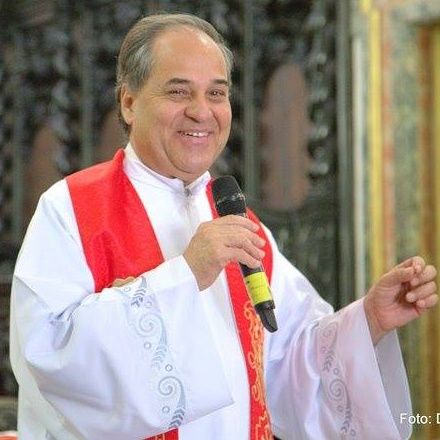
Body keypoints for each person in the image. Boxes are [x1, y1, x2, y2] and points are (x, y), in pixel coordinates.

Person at [9, 13, 437, 440]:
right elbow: (47, 355)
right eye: (179, 91)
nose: (202, 112)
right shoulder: (72, 209)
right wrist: (186, 273)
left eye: (217, 93)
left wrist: (369, 320)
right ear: (129, 102)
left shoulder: (240, 223)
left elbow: (286, 360)